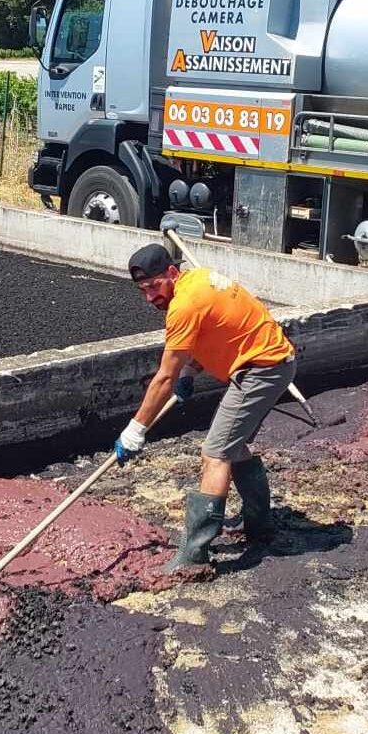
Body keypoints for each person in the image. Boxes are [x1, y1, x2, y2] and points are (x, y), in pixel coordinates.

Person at [116, 242, 297, 571]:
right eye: (143, 290)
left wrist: (135, 430)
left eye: (154, 287)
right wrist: (191, 372)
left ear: (172, 272)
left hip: (262, 369)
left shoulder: (184, 305)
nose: (150, 297)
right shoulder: (197, 280)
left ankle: (194, 554)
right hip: (269, 362)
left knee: (215, 453)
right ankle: (259, 525)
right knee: (233, 444)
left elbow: (162, 379)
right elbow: (213, 332)